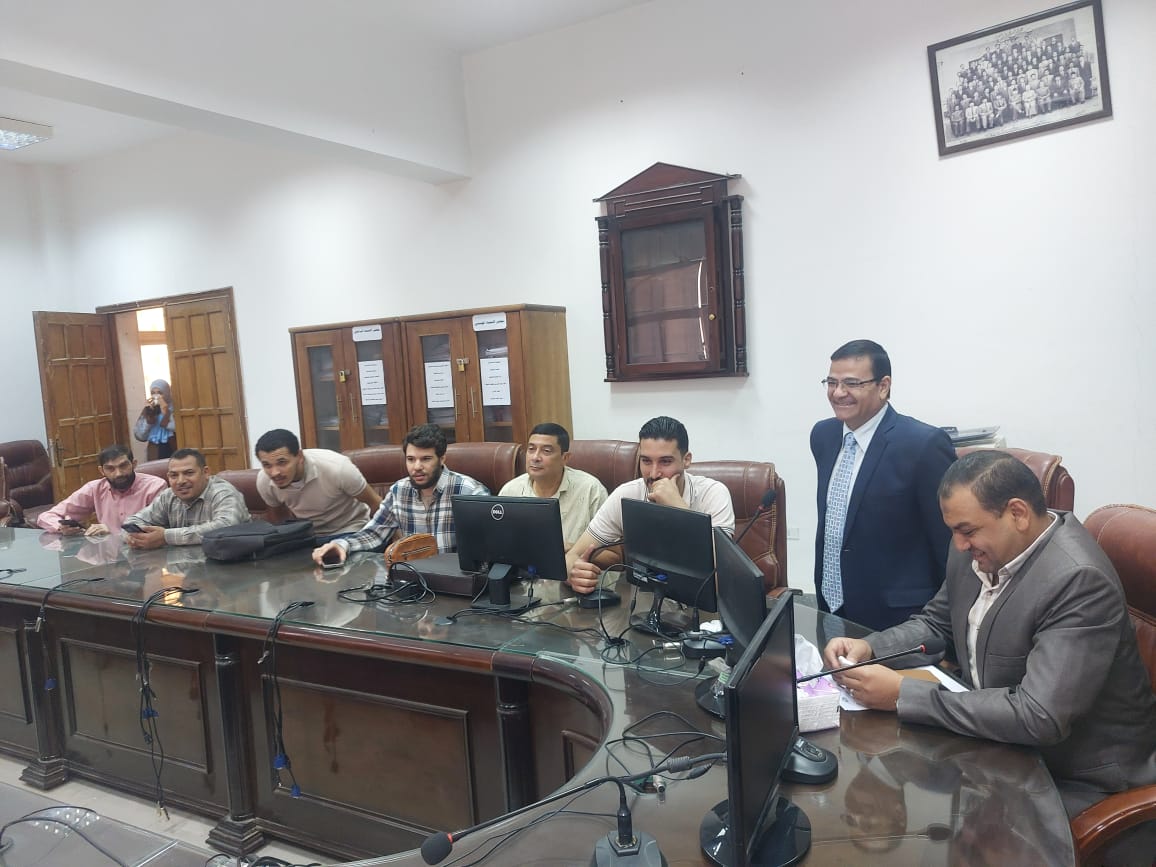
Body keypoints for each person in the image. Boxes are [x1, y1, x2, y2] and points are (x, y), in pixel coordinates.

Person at [823, 451, 1156, 865]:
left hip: (1075, 780)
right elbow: (938, 623)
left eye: (967, 531)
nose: (959, 545)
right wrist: (873, 647)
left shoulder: (1077, 580)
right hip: (1000, 749)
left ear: (1017, 513)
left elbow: (1039, 716)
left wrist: (902, 695)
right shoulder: (978, 549)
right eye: (954, 531)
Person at [812, 340, 956, 631]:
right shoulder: (823, 435)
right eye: (832, 382)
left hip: (900, 617)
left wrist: (949, 626)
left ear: (883, 386)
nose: (838, 393)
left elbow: (949, 544)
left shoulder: (923, 445)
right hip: (831, 605)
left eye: (852, 383)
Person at [566, 416, 735, 595]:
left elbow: (721, 574)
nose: (653, 474)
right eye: (646, 461)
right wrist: (572, 574)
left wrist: (678, 509)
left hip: (700, 604)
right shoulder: (627, 494)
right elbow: (573, 555)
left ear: (686, 460)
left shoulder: (713, 494)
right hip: (642, 603)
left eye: (665, 461)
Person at [311, 423, 488, 565]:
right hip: (412, 579)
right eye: (410, 459)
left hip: (455, 580)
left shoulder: (470, 492)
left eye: (426, 459)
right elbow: (374, 533)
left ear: (442, 459)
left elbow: (489, 547)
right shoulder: (399, 491)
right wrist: (342, 545)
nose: (417, 467)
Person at [254, 429, 382, 540]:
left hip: (350, 530)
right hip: (306, 536)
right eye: (267, 465)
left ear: (299, 456)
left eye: (282, 462)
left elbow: (376, 503)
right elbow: (278, 519)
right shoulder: (264, 480)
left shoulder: (337, 468)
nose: (275, 473)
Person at [498, 423, 607, 551]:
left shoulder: (591, 489)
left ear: (565, 458)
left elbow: (612, 555)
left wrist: (570, 549)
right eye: (531, 449)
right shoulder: (511, 490)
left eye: (546, 451)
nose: (535, 457)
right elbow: (498, 543)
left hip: (570, 563)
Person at [123, 448, 250, 548]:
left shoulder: (223, 492)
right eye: (174, 475)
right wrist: (135, 536)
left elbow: (225, 527)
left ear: (206, 472)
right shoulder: (169, 496)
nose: (181, 481)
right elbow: (133, 521)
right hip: (185, 568)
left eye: (189, 473)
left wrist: (166, 537)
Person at [37, 444, 168, 536]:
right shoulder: (95, 488)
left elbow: (156, 531)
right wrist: (61, 528)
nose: (118, 474)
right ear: (101, 471)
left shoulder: (155, 486)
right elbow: (46, 517)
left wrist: (112, 532)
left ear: (133, 464)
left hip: (147, 556)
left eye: (123, 466)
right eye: (110, 468)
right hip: (109, 559)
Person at [133, 379, 177, 461]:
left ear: (167, 392)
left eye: (160, 393)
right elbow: (140, 436)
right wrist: (149, 419)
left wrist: (166, 412)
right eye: (153, 393)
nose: (156, 396)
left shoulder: (175, 408)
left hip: (174, 448)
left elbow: (179, 429)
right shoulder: (149, 409)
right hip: (154, 451)